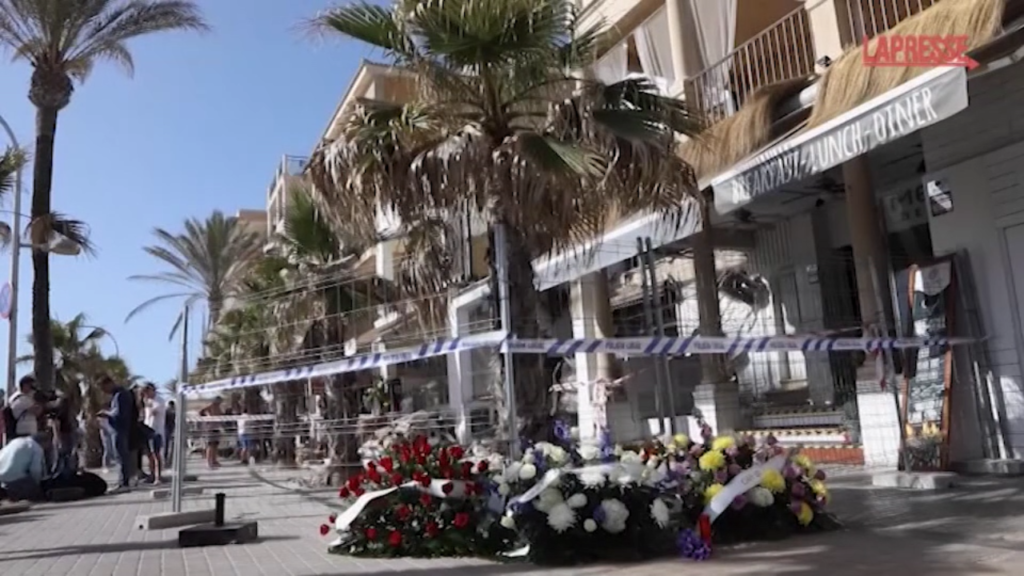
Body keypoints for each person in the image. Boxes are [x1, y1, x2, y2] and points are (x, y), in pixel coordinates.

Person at [97, 375, 140, 492]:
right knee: (120, 456)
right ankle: (124, 481)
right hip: (117, 429)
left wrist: (107, 414)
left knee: (121, 456)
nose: (104, 391)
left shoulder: (121, 395)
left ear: (109, 384)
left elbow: (121, 414)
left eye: (104, 388)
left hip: (120, 429)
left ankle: (124, 483)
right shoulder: (118, 395)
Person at [0, 432, 50, 501]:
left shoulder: (16, 441)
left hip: (1, 475)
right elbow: (35, 470)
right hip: (13, 479)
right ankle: (11, 494)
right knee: (37, 493)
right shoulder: (36, 448)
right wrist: (37, 484)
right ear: (44, 442)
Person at [142, 383, 166, 484]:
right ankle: (151, 475)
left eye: (147, 391)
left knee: (156, 454)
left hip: (157, 431)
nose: (146, 394)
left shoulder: (159, 400)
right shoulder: (147, 401)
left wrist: (147, 404)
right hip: (147, 429)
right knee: (149, 455)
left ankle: (158, 476)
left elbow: (154, 411)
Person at [4, 375, 41, 441]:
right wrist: (40, 402)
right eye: (30, 385)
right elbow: (37, 412)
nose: (32, 388)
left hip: (20, 430)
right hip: (25, 431)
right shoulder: (24, 399)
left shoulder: (14, 397)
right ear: (25, 385)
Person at [199, 396, 223, 469]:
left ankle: (214, 460)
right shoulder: (210, 407)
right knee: (210, 446)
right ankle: (209, 462)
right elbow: (201, 412)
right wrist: (206, 418)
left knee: (215, 446)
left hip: (216, 428)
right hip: (209, 429)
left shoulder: (219, 408)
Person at [164, 399, 176, 468]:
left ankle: (167, 460)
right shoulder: (171, 412)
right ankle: (167, 460)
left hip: (169, 429)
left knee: (167, 445)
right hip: (168, 429)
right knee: (167, 445)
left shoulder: (168, 411)